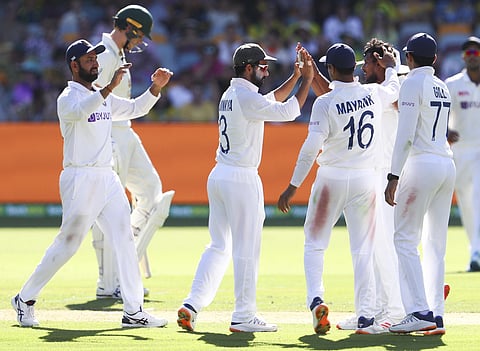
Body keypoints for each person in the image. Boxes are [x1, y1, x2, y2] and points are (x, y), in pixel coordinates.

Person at [11, 39, 173, 328]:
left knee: (123, 239)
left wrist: (155, 89)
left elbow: (136, 108)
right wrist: (110, 87)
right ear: (74, 65)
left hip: (106, 177)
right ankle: (24, 298)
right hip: (80, 178)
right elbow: (84, 110)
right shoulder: (67, 98)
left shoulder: (102, 95)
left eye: (96, 59)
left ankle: (133, 311)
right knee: (68, 245)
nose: (95, 63)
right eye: (89, 60)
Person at [177, 43, 314, 333]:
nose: (266, 70)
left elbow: (269, 100)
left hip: (220, 175)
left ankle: (191, 304)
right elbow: (288, 111)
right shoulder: (244, 96)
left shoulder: (233, 93)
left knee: (218, 245)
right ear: (249, 68)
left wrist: (294, 76)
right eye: (263, 66)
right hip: (241, 178)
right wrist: (308, 81)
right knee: (246, 248)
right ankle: (243, 315)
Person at [278, 42, 400, 335]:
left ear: (331, 69)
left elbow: (310, 149)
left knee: (315, 243)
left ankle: (316, 299)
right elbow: (394, 87)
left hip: (331, 179)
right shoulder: (373, 93)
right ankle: (366, 316)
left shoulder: (325, 103)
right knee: (363, 250)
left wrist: (293, 185)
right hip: (365, 180)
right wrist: (393, 65)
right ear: (353, 67)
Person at [92, 4, 175, 299]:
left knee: (151, 191)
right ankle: (109, 281)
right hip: (108, 135)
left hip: (126, 130)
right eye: (140, 36)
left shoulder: (119, 54)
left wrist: (152, 90)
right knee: (109, 208)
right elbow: (97, 103)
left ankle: (124, 263)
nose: (141, 42)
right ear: (130, 28)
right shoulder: (101, 54)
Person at [385, 32, 455, 335]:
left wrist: (393, 175)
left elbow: (407, 134)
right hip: (445, 164)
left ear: (409, 58)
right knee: (435, 243)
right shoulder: (442, 85)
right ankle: (435, 314)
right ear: (435, 59)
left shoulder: (412, 82)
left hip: (422, 164)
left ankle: (418, 311)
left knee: (403, 239)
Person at [445, 36, 480, 272]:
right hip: (460, 151)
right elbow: (441, 115)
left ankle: (477, 252)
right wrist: (445, 130)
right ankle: (474, 251)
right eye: (468, 53)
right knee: (467, 205)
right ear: (462, 57)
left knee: (478, 198)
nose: (471, 56)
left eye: (476, 52)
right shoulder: (453, 84)